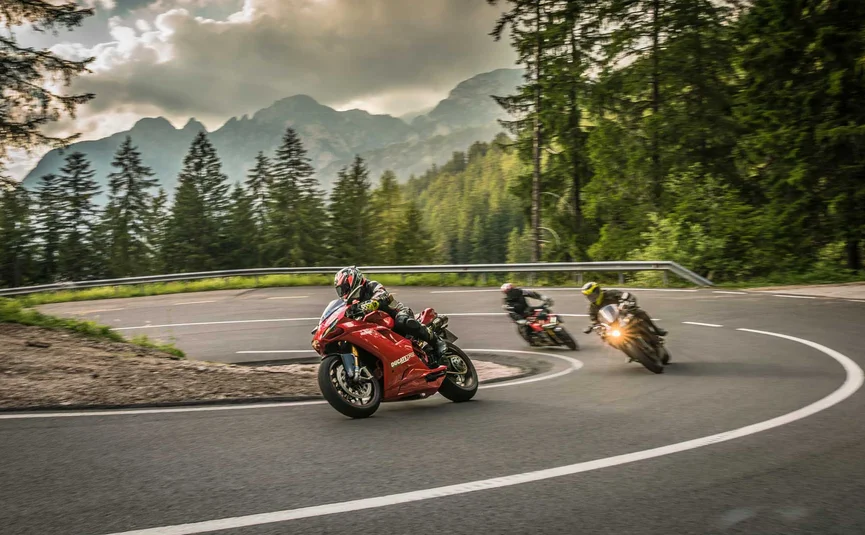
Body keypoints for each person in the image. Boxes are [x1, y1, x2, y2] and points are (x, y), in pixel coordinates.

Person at [334, 266, 448, 365]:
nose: (343, 292)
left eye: (344, 288)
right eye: (341, 290)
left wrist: (372, 302)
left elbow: (381, 293)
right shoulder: (353, 302)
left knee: (402, 321)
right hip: (378, 327)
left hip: (396, 313)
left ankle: (437, 341)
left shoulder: (370, 285)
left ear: (352, 280)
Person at [580, 281, 667, 338]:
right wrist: (596, 327)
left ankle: (656, 329)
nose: (591, 297)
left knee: (639, 312)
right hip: (612, 324)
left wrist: (629, 302)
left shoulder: (610, 293)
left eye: (592, 295)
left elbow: (626, 295)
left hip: (624, 314)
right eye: (589, 296)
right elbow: (594, 320)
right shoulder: (592, 308)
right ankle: (627, 350)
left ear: (598, 291)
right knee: (606, 338)